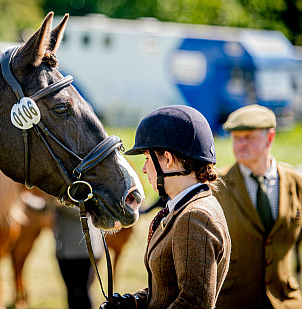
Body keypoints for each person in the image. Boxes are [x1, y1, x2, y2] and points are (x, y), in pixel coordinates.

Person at [100, 105, 231, 309]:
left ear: (168, 160)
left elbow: (193, 303)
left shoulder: (194, 217)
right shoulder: (187, 207)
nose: (144, 169)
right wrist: (134, 303)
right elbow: (167, 289)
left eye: (147, 159)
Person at [215, 104, 302, 309]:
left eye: (249, 137)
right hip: (231, 303)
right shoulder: (217, 186)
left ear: (270, 137)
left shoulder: (296, 183)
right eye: (236, 138)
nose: (241, 144)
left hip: (286, 303)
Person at [55, 203, 103, 309]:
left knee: (82, 291)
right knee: (71, 292)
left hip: (83, 252)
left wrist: (61, 205)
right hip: (64, 251)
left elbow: (86, 211)